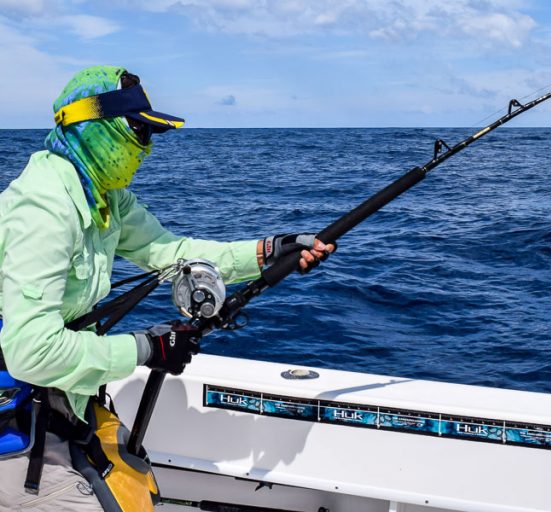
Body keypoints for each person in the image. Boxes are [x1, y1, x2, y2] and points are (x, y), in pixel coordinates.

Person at [0, 66, 333, 511]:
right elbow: (31, 352)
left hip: (58, 402)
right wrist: (146, 349)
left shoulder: (102, 195)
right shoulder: (45, 207)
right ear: (96, 127)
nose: (147, 147)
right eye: (139, 131)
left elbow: (171, 251)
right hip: (15, 419)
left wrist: (270, 250)